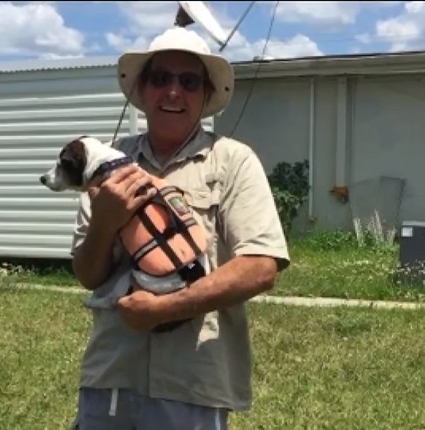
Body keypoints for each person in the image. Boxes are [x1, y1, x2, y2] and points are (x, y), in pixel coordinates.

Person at [69, 26, 291, 430]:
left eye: (189, 81)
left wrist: (164, 309)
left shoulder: (232, 162)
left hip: (193, 384)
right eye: (161, 78)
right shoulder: (107, 167)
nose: (174, 91)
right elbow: (88, 276)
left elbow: (261, 266)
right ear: (142, 88)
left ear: (206, 95)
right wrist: (104, 220)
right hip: (111, 376)